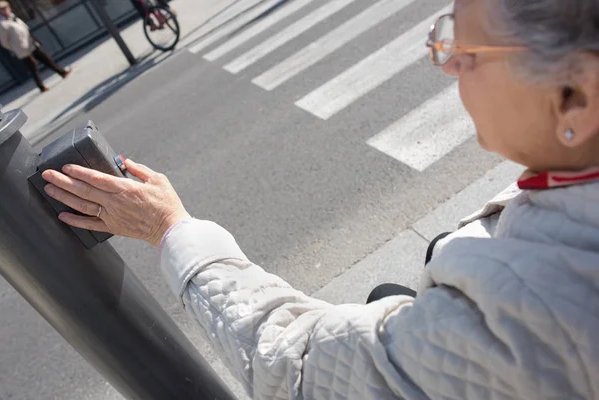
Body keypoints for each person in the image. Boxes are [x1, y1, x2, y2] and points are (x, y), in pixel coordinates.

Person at [41, 0, 599, 398]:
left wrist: (171, 229)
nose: (448, 62)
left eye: (468, 49)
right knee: (417, 268)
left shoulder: (526, 309)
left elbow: (299, 370)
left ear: (575, 95)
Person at [0, 1, 70, 93]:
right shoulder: (2, 23)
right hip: (22, 49)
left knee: (45, 58)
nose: (5, 10)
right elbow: (4, 42)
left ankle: (62, 72)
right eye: (2, 9)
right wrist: (14, 48)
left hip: (30, 43)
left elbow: (24, 28)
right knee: (33, 67)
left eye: (6, 7)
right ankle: (41, 86)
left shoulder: (13, 17)